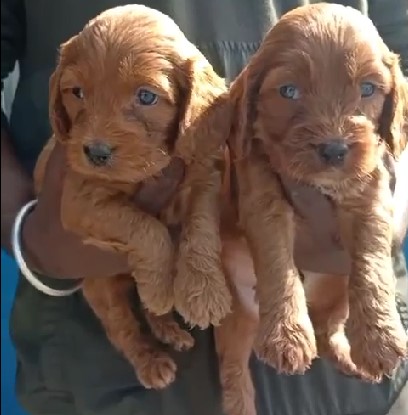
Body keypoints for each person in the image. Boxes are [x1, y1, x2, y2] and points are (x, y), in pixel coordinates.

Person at [1, 0, 407, 414]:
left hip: (355, 384)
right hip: (95, 366)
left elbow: (400, 58)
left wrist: (390, 211)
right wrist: (22, 231)